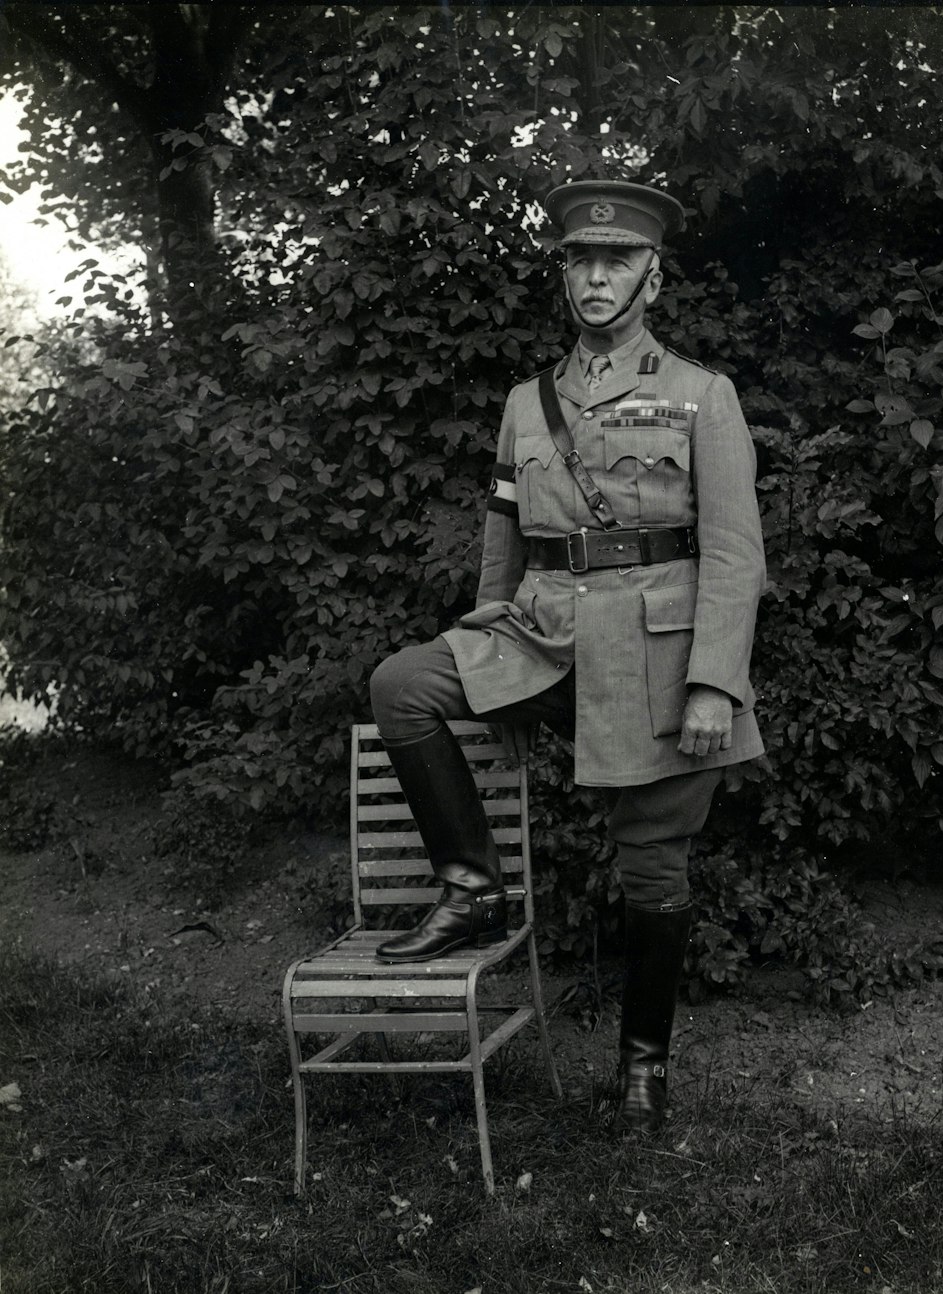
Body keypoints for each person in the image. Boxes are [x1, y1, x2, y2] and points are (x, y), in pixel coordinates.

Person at [369, 179, 765, 1132]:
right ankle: (472, 888)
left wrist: (715, 683)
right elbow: (503, 537)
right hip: (542, 636)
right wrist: (484, 645)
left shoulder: (700, 397)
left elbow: (734, 551)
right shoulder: (524, 404)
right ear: (564, 277)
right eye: (579, 262)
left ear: (651, 278)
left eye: (615, 261)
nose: (594, 277)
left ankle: (642, 1071)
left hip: (657, 653)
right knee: (405, 684)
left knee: (652, 872)